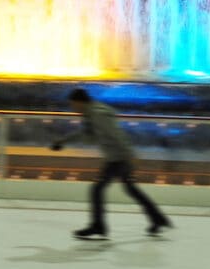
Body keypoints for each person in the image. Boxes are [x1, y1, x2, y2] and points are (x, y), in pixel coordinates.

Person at [50, 88, 171, 239]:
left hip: (118, 159)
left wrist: (130, 156)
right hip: (115, 158)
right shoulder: (90, 114)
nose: (73, 109)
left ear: (80, 102)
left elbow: (117, 135)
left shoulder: (99, 114)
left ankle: (98, 226)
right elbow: (85, 133)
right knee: (130, 190)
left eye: (73, 105)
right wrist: (62, 141)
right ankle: (158, 219)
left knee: (98, 189)